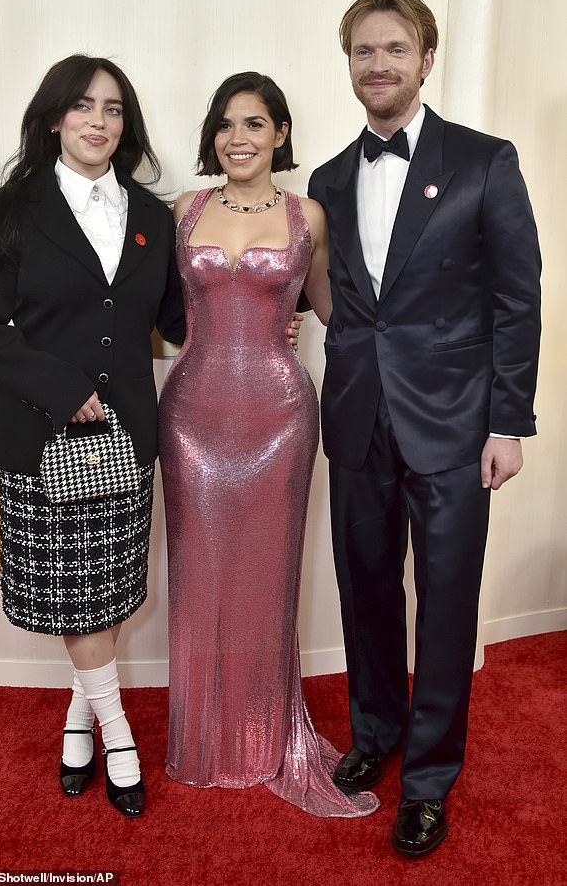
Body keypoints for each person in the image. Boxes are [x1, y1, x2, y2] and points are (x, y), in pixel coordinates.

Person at [308, 0, 541, 854]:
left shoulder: (486, 160)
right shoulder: (329, 178)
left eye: (394, 50)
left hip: (456, 424)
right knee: (364, 589)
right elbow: (332, 300)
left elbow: (519, 299)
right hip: (357, 414)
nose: (378, 65)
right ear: (351, 65)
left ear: (425, 59)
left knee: (445, 604)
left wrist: (507, 422)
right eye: (364, 52)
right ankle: (377, 735)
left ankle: (432, 777)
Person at [0, 55, 187, 818]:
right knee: (75, 598)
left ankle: (80, 714)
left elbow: (178, 321)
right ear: (54, 117)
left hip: (130, 437)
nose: (99, 121)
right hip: (39, 434)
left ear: (127, 124)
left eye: (114, 109)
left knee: (108, 593)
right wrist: (63, 386)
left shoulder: (154, 218)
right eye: (83, 106)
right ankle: (118, 734)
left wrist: (264, 308)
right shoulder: (10, 211)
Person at [157, 72, 378, 818]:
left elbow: (333, 310)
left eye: (254, 123)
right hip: (190, 416)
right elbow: (157, 314)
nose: (238, 138)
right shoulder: (187, 209)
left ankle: (259, 739)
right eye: (225, 125)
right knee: (198, 574)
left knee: (267, 575)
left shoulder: (305, 211)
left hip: (280, 418)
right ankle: (202, 740)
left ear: (280, 133)